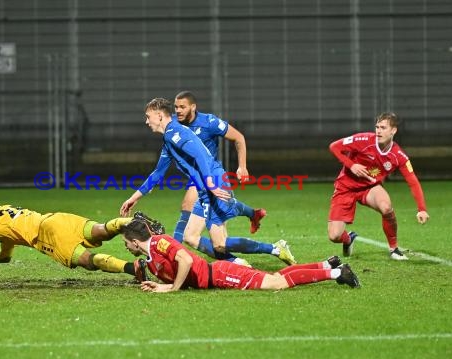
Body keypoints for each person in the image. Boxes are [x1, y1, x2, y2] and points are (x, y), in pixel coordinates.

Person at [120, 98, 296, 266]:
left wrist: (210, 183)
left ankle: (273, 249)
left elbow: (200, 155)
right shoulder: (169, 138)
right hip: (207, 186)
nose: (146, 121)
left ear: (159, 115)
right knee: (190, 236)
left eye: (148, 116)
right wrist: (134, 198)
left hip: (214, 182)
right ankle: (238, 260)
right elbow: (157, 173)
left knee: (220, 243)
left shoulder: (175, 133)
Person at [0, 184, 147, 281]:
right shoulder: (3, 211)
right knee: (101, 230)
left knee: (87, 261)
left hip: (46, 233)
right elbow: (5, 256)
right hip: (57, 218)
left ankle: (133, 268)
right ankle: (130, 222)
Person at [121, 219, 360, 292]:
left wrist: (172, 289)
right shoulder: (152, 254)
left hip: (221, 275)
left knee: (275, 283)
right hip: (218, 274)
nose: (125, 247)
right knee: (276, 276)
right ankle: (325, 265)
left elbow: (187, 260)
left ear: (134, 241)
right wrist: (165, 286)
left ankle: (338, 273)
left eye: (125, 243)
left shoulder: (160, 242)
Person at [328, 112, 430, 260]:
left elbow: (412, 180)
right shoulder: (363, 140)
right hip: (346, 188)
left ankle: (394, 249)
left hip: (369, 188)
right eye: (377, 127)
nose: (378, 131)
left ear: (393, 131)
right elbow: (334, 147)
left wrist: (422, 209)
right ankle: (348, 239)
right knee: (334, 236)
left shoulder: (398, 155)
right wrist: (352, 165)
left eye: (383, 127)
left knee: (386, 207)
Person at [172, 91, 265, 242]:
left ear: (193, 107)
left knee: (188, 207)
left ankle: (174, 254)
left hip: (211, 175)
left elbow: (238, 138)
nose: (178, 110)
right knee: (221, 232)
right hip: (196, 175)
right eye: (176, 107)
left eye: (182, 107)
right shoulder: (174, 124)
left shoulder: (209, 122)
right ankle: (253, 214)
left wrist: (242, 167)